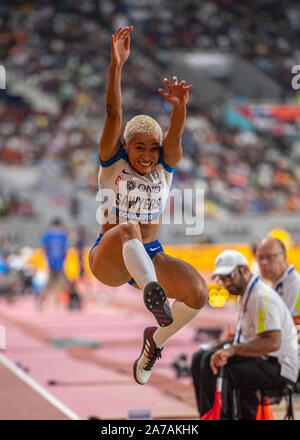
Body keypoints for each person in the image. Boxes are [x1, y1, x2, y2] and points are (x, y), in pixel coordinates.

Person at [89, 26, 208, 385]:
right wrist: (116, 67)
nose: (146, 155)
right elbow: (113, 113)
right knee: (129, 228)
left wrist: (181, 106)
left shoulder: (164, 168)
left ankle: (153, 344)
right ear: (127, 147)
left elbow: (175, 136)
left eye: (152, 148)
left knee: (198, 293)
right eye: (139, 147)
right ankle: (152, 290)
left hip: (150, 255)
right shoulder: (112, 163)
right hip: (109, 257)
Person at [191, 250, 298, 420]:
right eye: (222, 279)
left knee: (216, 365)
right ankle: (210, 416)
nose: (226, 283)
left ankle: (220, 417)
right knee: (200, 357)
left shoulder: (260, 297)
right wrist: (218, 346)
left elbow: (272, 342)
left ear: (245, 270)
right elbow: (247, 339)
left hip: (279, 367)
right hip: (265, 359)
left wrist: (231, 350)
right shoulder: (246, 295)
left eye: (229, 276)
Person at [256, 236, 300, 367]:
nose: (263, 263)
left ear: (284, 257)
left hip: (288, 357)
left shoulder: (295, 284)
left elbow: (278, 329)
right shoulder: (270, 287)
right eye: (260, 258)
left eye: (270, 257)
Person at [38, 217, 69, 310]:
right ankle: (57, 306)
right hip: (60, 263)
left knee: (48, 286)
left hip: (51, 262)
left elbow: (44, 247)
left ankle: (41, 304)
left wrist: (46, 258)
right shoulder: (63, 235)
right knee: (59, 286)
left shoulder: (48, 234)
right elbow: (65, 249)